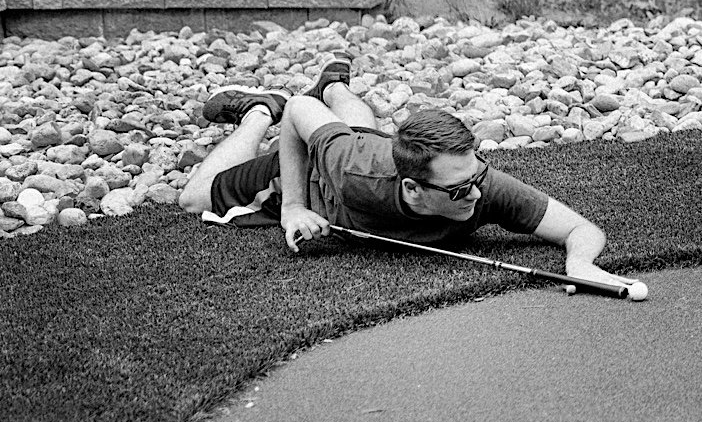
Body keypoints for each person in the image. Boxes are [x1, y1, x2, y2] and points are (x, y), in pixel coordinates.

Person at [178, 57, 639, 290]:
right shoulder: (353, 170)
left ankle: (334, 85)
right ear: (414, 189)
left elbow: (579, 227)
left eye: (477, 179)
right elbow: (300, 112)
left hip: (363, 145)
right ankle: (257, 110)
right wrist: (294, 207)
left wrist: (579, 262)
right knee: (193, 200)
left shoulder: (479, 184)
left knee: (355, 131)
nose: (476, 196)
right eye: (460, 190)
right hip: (312, 177)